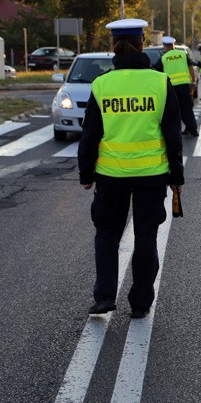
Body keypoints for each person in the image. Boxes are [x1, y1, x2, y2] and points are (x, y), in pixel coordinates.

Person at [78, 18, 184, 318]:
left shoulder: (102, 85)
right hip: (152, 176)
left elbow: (90, 135)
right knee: (146, 237)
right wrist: (177, 178)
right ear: (142, 46)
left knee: (107, 235)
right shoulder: (159, 83)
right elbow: (172, 136)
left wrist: (86, 173)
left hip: (111, 177)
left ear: (114, 47)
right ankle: (140, 303)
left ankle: (104, 296)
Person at [153, 36, 199, 136]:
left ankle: (176, 132)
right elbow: (191, 68)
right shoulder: (183, 54)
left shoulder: (163, 58)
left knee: (174, 111)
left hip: (171, 88)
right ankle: (193, 130)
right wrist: (193, 82)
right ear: (173, 45)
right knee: (187, 109)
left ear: (165, 46)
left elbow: (155, 71)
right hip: (185, 86)